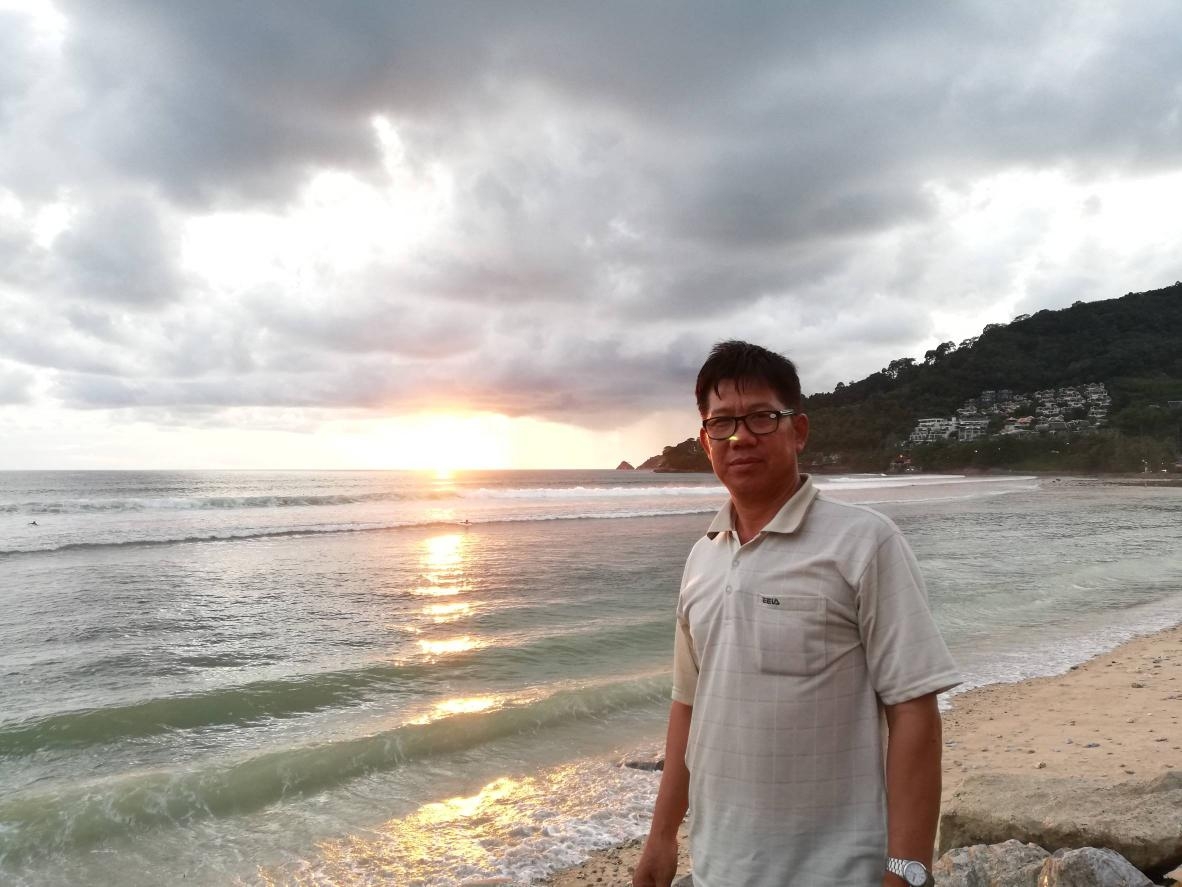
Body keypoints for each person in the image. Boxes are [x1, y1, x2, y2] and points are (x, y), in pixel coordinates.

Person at [634, 341, 960, 887]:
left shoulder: (864, 542)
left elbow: (913, 709)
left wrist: (907, 869)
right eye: (722, 423)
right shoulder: (701, 558)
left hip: (838, 871)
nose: (741, 437)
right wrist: (661, 836)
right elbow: (688, 705)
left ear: (798, 430)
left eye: (762, 417)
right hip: (718, 869)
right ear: (706, 441)